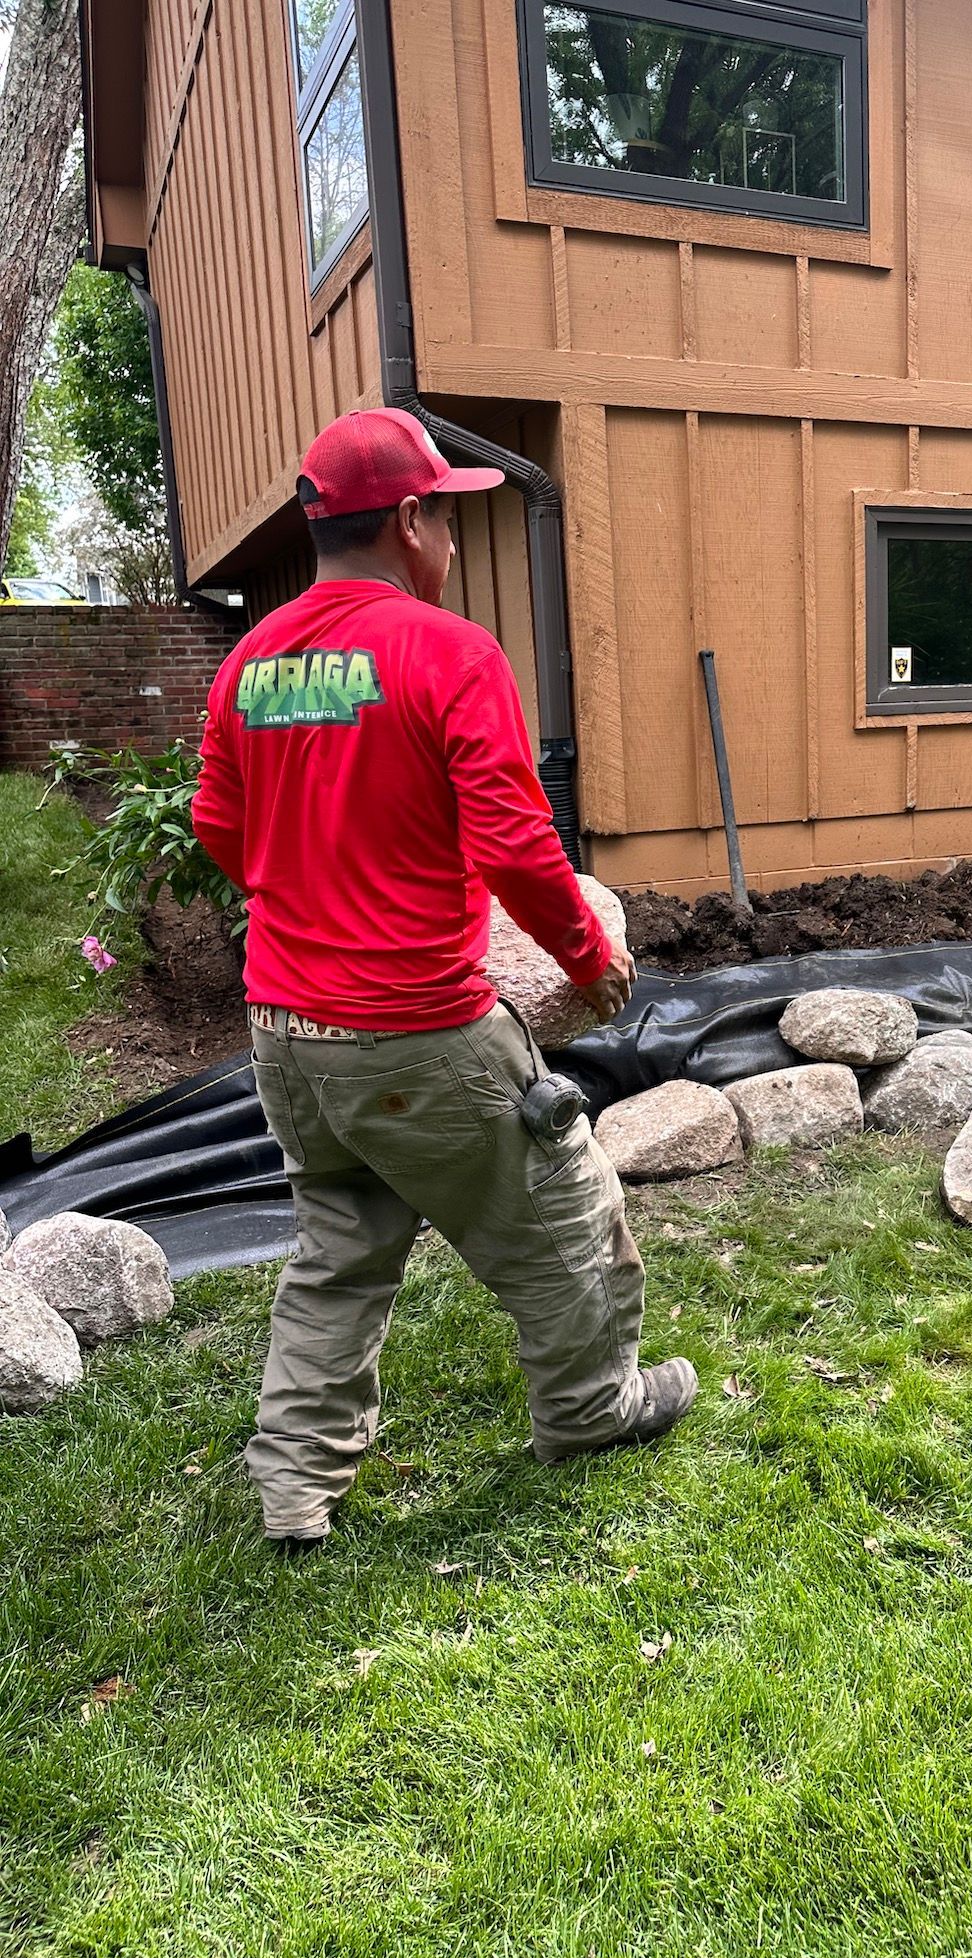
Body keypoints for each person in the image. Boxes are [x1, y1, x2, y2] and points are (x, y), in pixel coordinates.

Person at [192, 407, 697, 1544]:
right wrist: (588, 958)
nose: (456, 545)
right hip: (417, 1028)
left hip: (286, 1031)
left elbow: (221, 829)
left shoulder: (249, 667)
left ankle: (294, 1489)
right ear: (411, 519)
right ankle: (593, 1410)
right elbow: (519, 846)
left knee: (339, 1244)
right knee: (566, 1216)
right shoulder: (448, 653)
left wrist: (319, 882)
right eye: (450, 520)